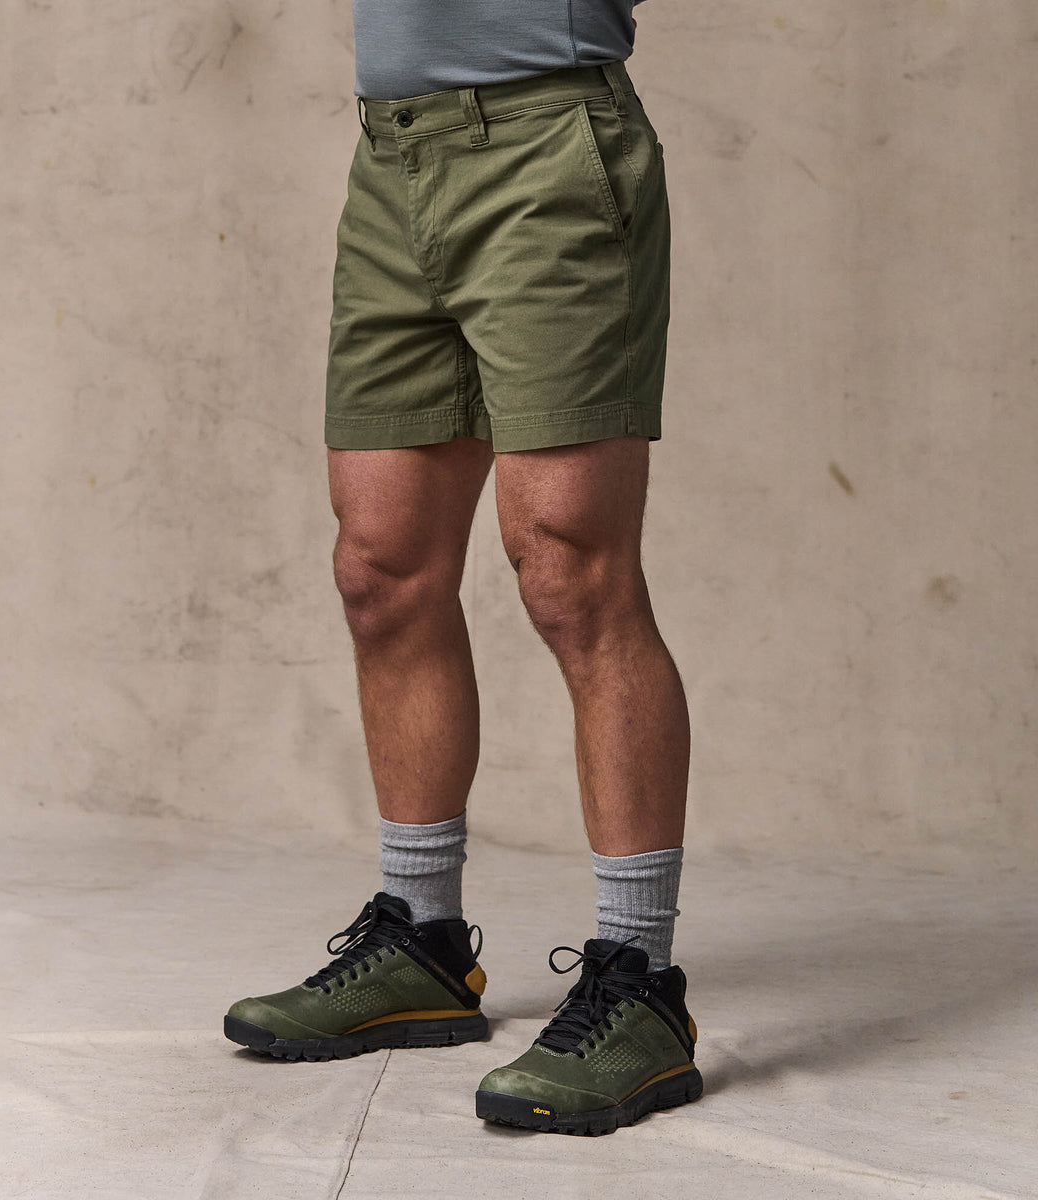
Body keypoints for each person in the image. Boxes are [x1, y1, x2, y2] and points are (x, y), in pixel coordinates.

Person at [225, 0, 703, 1135]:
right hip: (394, 157)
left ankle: (640, 983)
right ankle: (422, 941)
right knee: (381, 567)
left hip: (551, 149)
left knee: (571, 572)